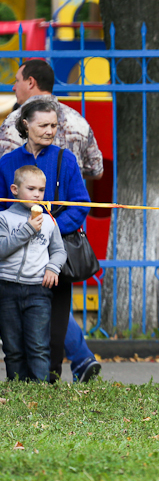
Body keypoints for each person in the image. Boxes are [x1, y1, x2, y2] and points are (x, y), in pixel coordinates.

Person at [2, 59, 103, 383]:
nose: (49, 131)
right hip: (13, 257)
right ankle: (20, 381)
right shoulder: (7, 162)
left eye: (54, 126)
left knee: (56, 325)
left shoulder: (66, 160)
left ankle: (49, 379)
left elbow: (80, 204)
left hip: (53, 255)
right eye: (43, 125)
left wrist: (51, 228)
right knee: (13, 328)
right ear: (25, 125)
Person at [0, 166, 67, 381]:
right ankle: (17, 389)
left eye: (41, 190)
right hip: (6, 289)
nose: (37, 194)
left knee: (38, 346)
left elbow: (59, 251)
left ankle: (39, 391)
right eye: (31, 189)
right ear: (15, 190)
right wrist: (27, 230)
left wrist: (53, 267)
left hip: (38, 290)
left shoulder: (49, 221)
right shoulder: (4, 218)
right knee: (12, 348)